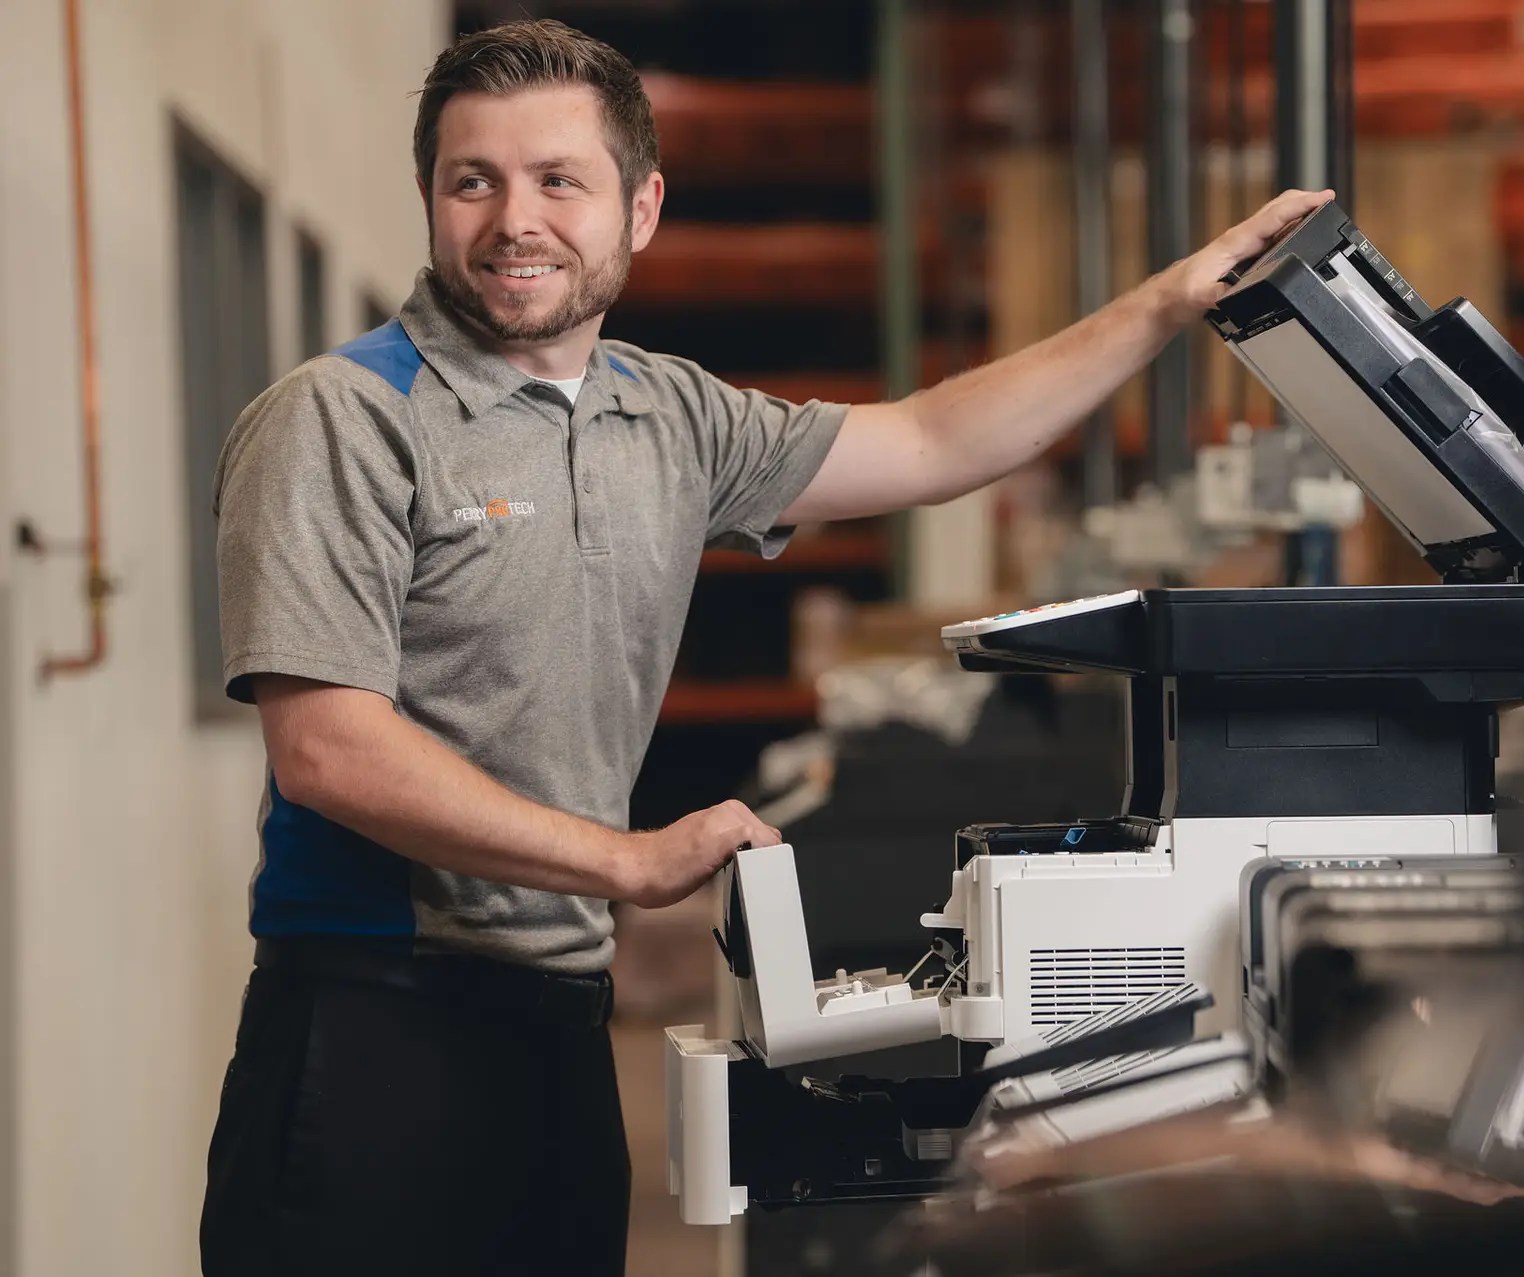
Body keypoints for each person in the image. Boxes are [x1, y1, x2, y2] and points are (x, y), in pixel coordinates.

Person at [197, 16, 1332, 1276]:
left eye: (558, 179)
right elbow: (329, 750)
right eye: (476, 181)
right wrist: (624, 861)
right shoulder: (344, 419)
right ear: (430, 199)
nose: (514, 218)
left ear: (641, 206)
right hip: (371, 1025)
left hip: (557, 1028)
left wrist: (1166, 303)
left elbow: (937, 440)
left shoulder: (666, 412)